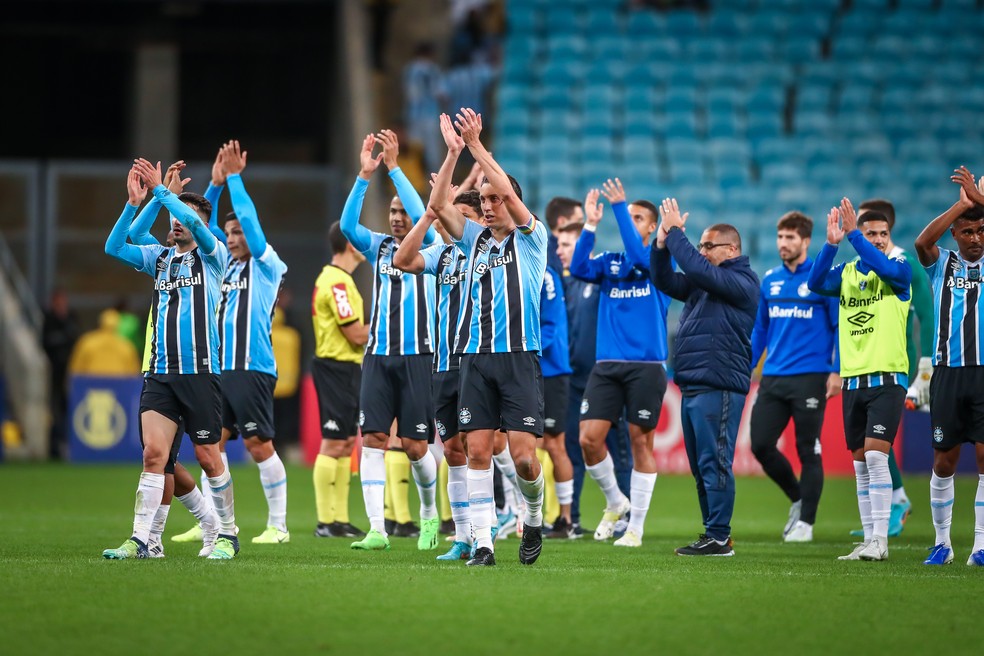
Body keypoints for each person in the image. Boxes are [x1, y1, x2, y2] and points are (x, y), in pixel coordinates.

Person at [103, 160, 238, 560]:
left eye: (186, 217)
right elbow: (116, 246)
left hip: (200, 372)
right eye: (177, 217)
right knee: (154, 456)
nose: (178, 222)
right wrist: (135, 203)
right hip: (160, 372)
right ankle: (141, 539)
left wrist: (167, 195)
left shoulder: (213, 258)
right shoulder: (160, 259)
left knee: (209, 457)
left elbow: (196, 226)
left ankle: (227, 536)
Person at [430, 109, 547, 567]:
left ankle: (533, 517)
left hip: (519, 357)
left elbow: (511, 199)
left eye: (497, 198)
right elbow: (440, 205)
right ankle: (483, 543)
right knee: (476, 450)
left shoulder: (531, 239)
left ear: (513, 203)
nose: (489, 205)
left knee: (522, 460)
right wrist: (454, 154)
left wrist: (478, 146)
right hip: (475, 359)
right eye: (484, 199)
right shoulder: (474, 240)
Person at [340, 130, 441, 552]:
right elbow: (346, 225)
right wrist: (365, 176)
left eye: (403, 212)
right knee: (375, 440)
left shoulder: (431, 245)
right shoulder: (379, 247)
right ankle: (377, 529)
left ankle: (430, 513)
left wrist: (396, 170)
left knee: (417, 446)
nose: (398, 217)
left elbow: (425, 213)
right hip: (378, 357)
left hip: (418, 356)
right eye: (393, 212)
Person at [651, 198, 759, 557]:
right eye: (699, 245)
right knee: (702, 465)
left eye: (707, 245)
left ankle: (719, 535)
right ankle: (713, 533)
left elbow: (697, 270)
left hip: (720, 383)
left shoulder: (742, 280)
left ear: (731, 249)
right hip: (695, 383)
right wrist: (662, 242)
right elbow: (663, 278)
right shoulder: (706, 282)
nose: (700, 251)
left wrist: (676, 230)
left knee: (716, 461)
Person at [808, 198, 911, 562]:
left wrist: (854, 235)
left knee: (875, 455)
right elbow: (816, 281)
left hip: (887, 377)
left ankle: (881, 540)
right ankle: (869, 539)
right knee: (859, 462)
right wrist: (832, 243)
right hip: (853, 381)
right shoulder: (848, 272)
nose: (879, 239)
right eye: (871, 233)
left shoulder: (900, 268)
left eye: (883, 234)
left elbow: (889, 269)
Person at [569, 179, 671, 547]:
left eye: (638, 217)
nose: (630, 220)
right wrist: (591, 225)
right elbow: (579, 267)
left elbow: (640, 256)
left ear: (651, 227)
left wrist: (618, 207)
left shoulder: (659, 262)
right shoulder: (610, 263)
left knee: (640, 443)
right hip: (607, 366)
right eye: (629, 217)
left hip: (646, 366)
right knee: (588, 439)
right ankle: (615, 500)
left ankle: (636, 528)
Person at [393, 182, 484, 560]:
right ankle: (463, 537)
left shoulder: (488, 254)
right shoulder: (443, 255)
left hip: (476, 363)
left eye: (465, 218)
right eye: (454, 217)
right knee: (451, 450)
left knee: (481, 448)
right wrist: (430, 213)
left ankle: (488, 530)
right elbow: (401, 259)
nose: (457, 224)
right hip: (442, 365)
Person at [210, 141, 290, 545]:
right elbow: (201, 232)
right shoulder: (223, 263)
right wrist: (214, 185)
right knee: (212, 446)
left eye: (238, 231)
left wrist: (236, 180)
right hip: (220, 368)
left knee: (259, 445)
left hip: (254, 367)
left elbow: (253, 227)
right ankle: (218, 523)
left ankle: (278, 525)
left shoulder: (265, 263)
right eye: (229, 233)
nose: (234, 237)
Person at [841, 198, 932, 538]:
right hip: (865, 364)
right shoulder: (858, 266)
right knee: (873, 443)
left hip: (897, 364)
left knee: (878, 442)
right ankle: (895, 502)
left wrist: (926, 365)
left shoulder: (903, 263)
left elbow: (927, 312)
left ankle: (898, 501)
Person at [749, 211, 840, 543]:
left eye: (790, 238)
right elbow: (761, 329)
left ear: (805, 241)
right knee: (760, 444)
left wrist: (836, 370)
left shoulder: (822, 279)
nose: (783, 243)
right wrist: (747, 365)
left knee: (808, 449)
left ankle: (806, 523)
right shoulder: (770, 279)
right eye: (780, 237)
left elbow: (838, 327)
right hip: (773, 377)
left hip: (810, 377)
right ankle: (799, 498)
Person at [914, 167, 984, 567]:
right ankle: (942, 542)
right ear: (955, 234)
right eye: (968, 231)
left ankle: (980, 546)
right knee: (945, 460)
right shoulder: (943, 264)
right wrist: (961, 204)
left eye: (981, 231)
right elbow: (922, 241)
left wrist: (978, 197)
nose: (975, 238)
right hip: (949, 372)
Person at [557, 221, 633, 536]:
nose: (559, 251)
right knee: (573, 448)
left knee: (619, 449)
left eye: (566, 245)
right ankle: (571, 518)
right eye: (558, 245)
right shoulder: (567, 285)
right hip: (573, 380)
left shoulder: (600, 280)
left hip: (605, 379)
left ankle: (626, 516)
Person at [311, 222, 369, 539]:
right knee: (334, 442)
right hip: (336, 367)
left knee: (347, 443)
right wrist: (390, 326)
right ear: (349, 245)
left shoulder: (338, 279)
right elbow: (355, 333)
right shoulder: (337, 283)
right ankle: (325, 520)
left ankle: (340, 518)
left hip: (346, 367)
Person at [42, 288, 79, 459]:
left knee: (68, 409)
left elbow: (76, 339)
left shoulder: (72, 317)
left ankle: (69, 446)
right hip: (55, 373)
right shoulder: (49, 319)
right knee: (55, 411)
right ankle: (55, 449)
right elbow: (46, 341)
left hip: (71, 372)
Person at [67, 309, 140, 376]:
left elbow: (75, 369)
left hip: (91, 387)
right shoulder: (126, 346)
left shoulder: (87, 342)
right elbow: (134, 374)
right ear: (118, 325)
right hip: (118, 387)